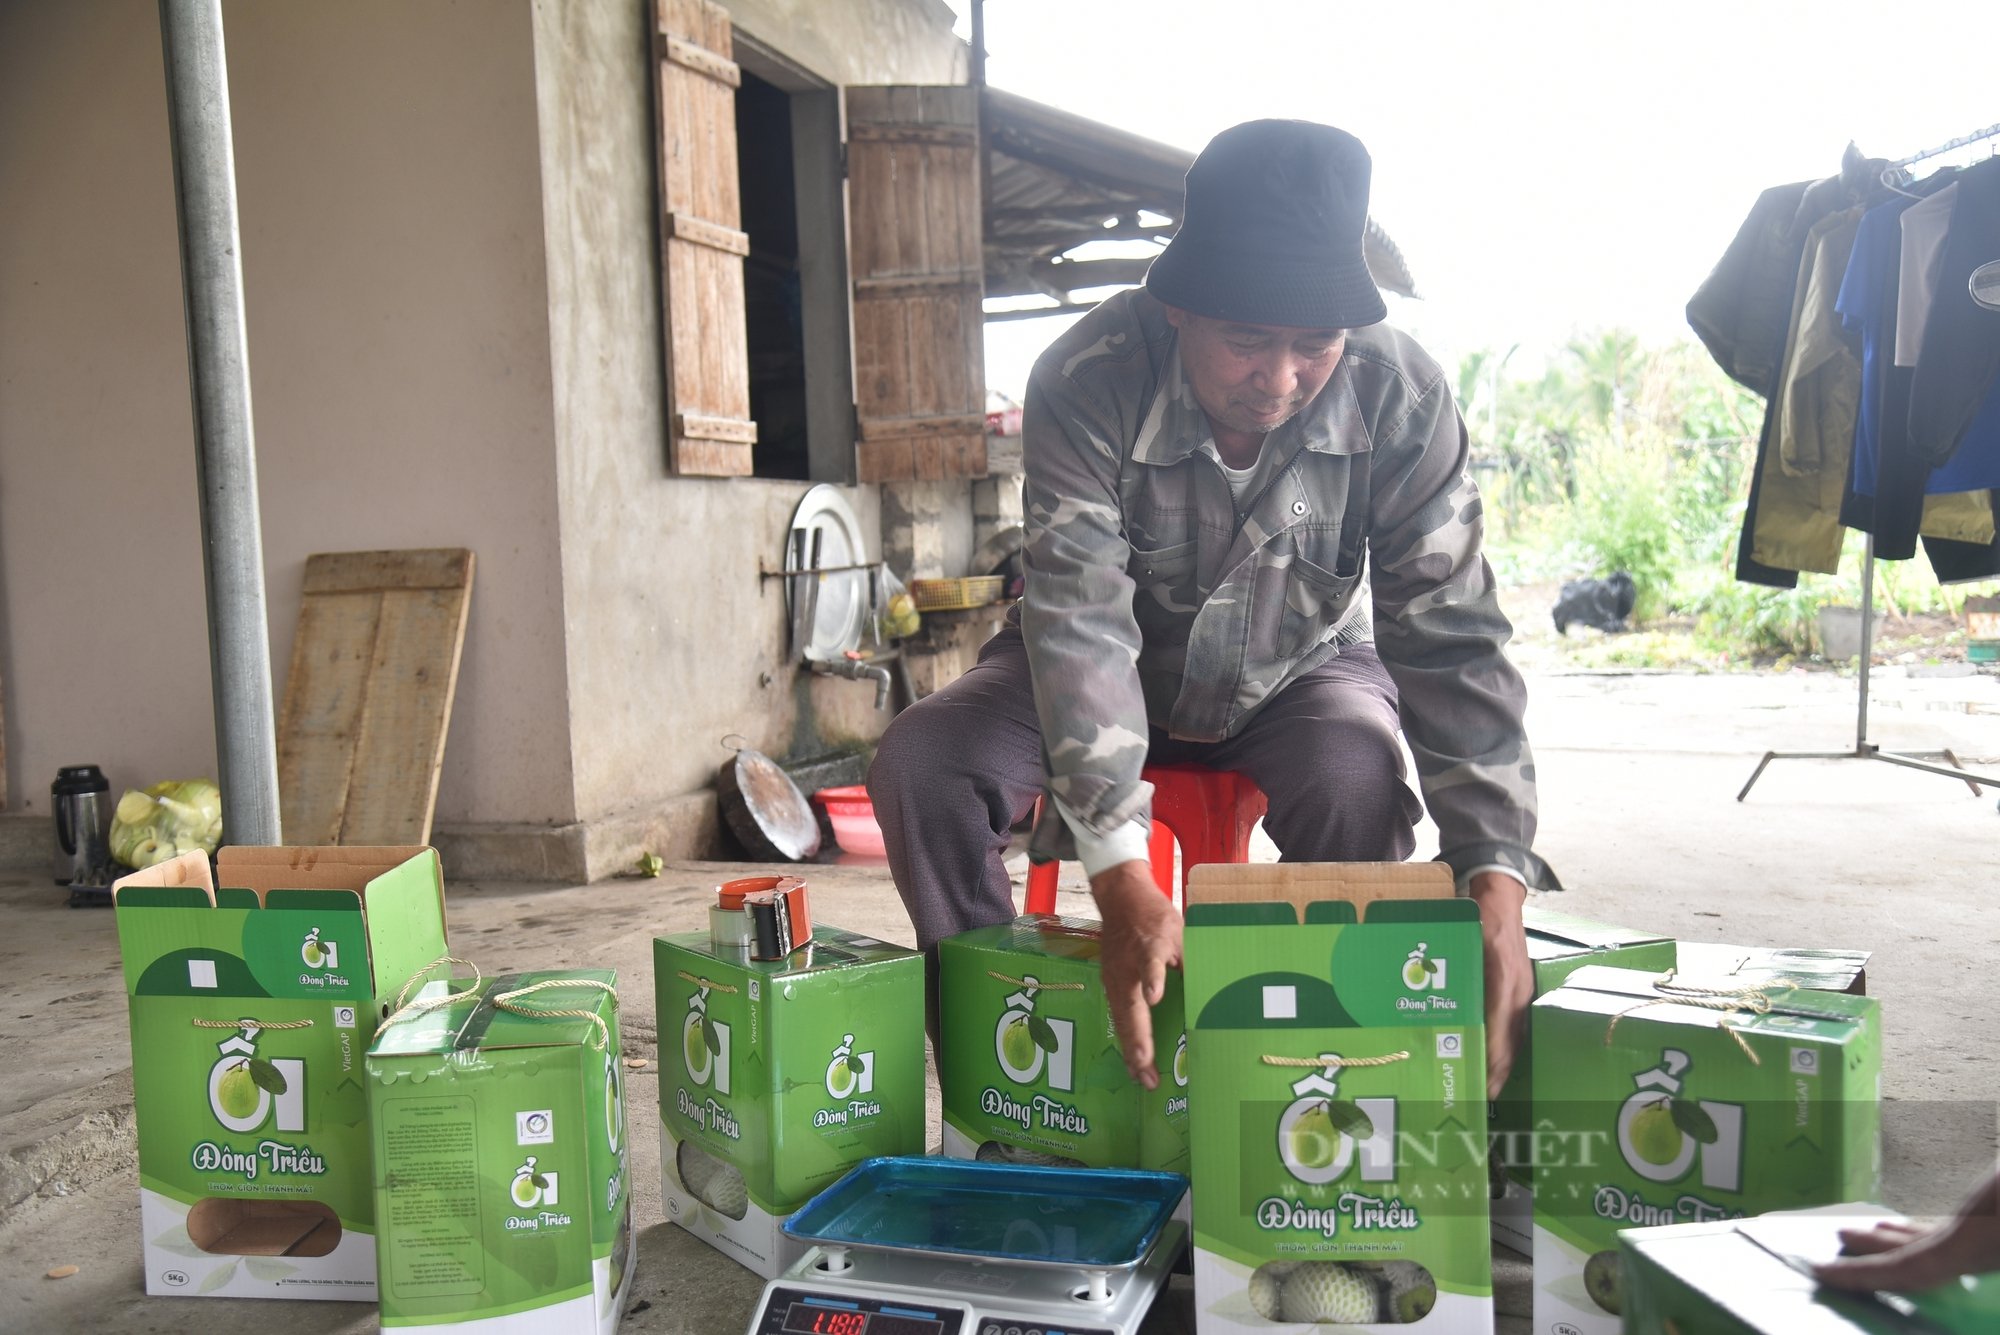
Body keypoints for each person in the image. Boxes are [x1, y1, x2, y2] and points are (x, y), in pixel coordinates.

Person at [868, 119, 1554, 1099]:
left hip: (1298, 667)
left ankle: (1335, 1078)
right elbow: (1079, 617)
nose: (1277, 381)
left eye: (1311, 347)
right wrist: (1115, 868)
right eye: (1246, 342)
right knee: (924, 761)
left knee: (1356, 771)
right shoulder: (1087, 375)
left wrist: (1494, 879)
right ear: (1178, 308)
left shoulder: (1398, 392)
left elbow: (1447, 630)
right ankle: (1005, 1075)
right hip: (1091, 667)